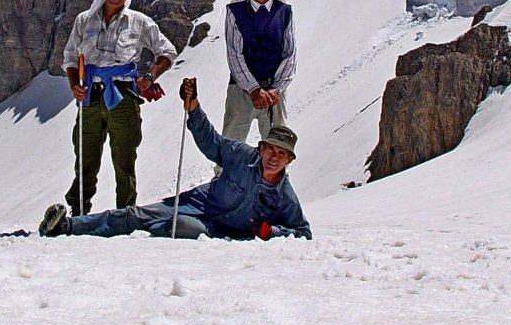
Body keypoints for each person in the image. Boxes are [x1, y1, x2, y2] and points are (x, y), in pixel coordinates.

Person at [38, 78, 311, 240]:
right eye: (271, 150)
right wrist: (194, 107)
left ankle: (136, 229)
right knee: (138, 214)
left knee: (173, 226)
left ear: (289, 160)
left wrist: (271, 231)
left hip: (214, 228)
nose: (274, 157)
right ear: (261, 148)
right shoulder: (241, 155)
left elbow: (303, 232)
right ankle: (67, 226)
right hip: (197, 203)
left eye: (282, 154)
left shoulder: (285, 196)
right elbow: (211, 142)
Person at [61, 0, 176, 214]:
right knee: (85, 155)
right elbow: (70, 57)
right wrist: (74, 85)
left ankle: (125, 212)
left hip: (123, 93)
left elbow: (167, 51)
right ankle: (79, 211)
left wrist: (149, 76)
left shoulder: (140, 21)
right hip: (90, 94)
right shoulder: (84, 20)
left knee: (125, 158)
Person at [222, 0, 297, 147]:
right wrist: (254, 89)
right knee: (231, 146)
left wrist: (276, 89)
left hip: (274, 93)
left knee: (278, 145)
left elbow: (289, 55)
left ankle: (279, 178)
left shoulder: (285, 12)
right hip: (240, 90)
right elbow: (234, 54)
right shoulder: (234, 12)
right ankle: (224, 177)